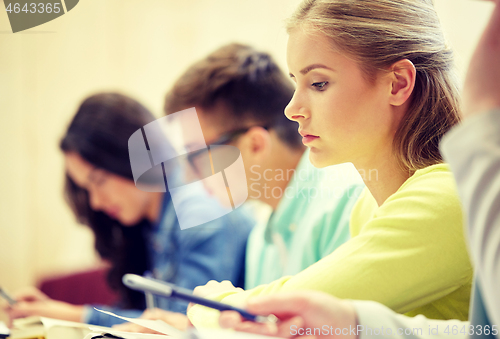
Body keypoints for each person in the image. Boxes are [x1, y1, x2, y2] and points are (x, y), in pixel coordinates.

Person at [216, 1, 500, 337]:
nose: (292, 109)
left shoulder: (444, 197)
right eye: (296, 82)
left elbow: (286, 306)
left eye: (318, 83)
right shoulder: (368, 204)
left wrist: (202, 302)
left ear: (397, 84)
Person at [113, 42, 363, 333]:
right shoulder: (261, 236)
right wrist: (193, 331)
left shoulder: (347, 202)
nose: (190, 176)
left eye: (196, 155)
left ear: (254, 144)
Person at [4, 93, 254, 327]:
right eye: (86, 189)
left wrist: (70, 315)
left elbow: (182, 324)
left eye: (99, 181)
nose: (96, 203)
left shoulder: (198, 210)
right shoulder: (150, 223)